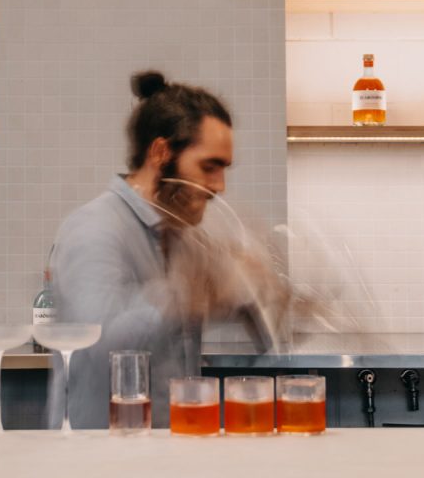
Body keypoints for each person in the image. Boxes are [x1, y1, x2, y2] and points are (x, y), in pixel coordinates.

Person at [46, 71, 277, 429]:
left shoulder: (185, 236)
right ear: (160, 152)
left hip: (167, 449)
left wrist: (258, 293)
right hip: (100, 459)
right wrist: (184, 295)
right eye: (209, 167)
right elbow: (95, 348)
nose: (220, 186)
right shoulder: (95, 228)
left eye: (224, 169)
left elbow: (259, 334)